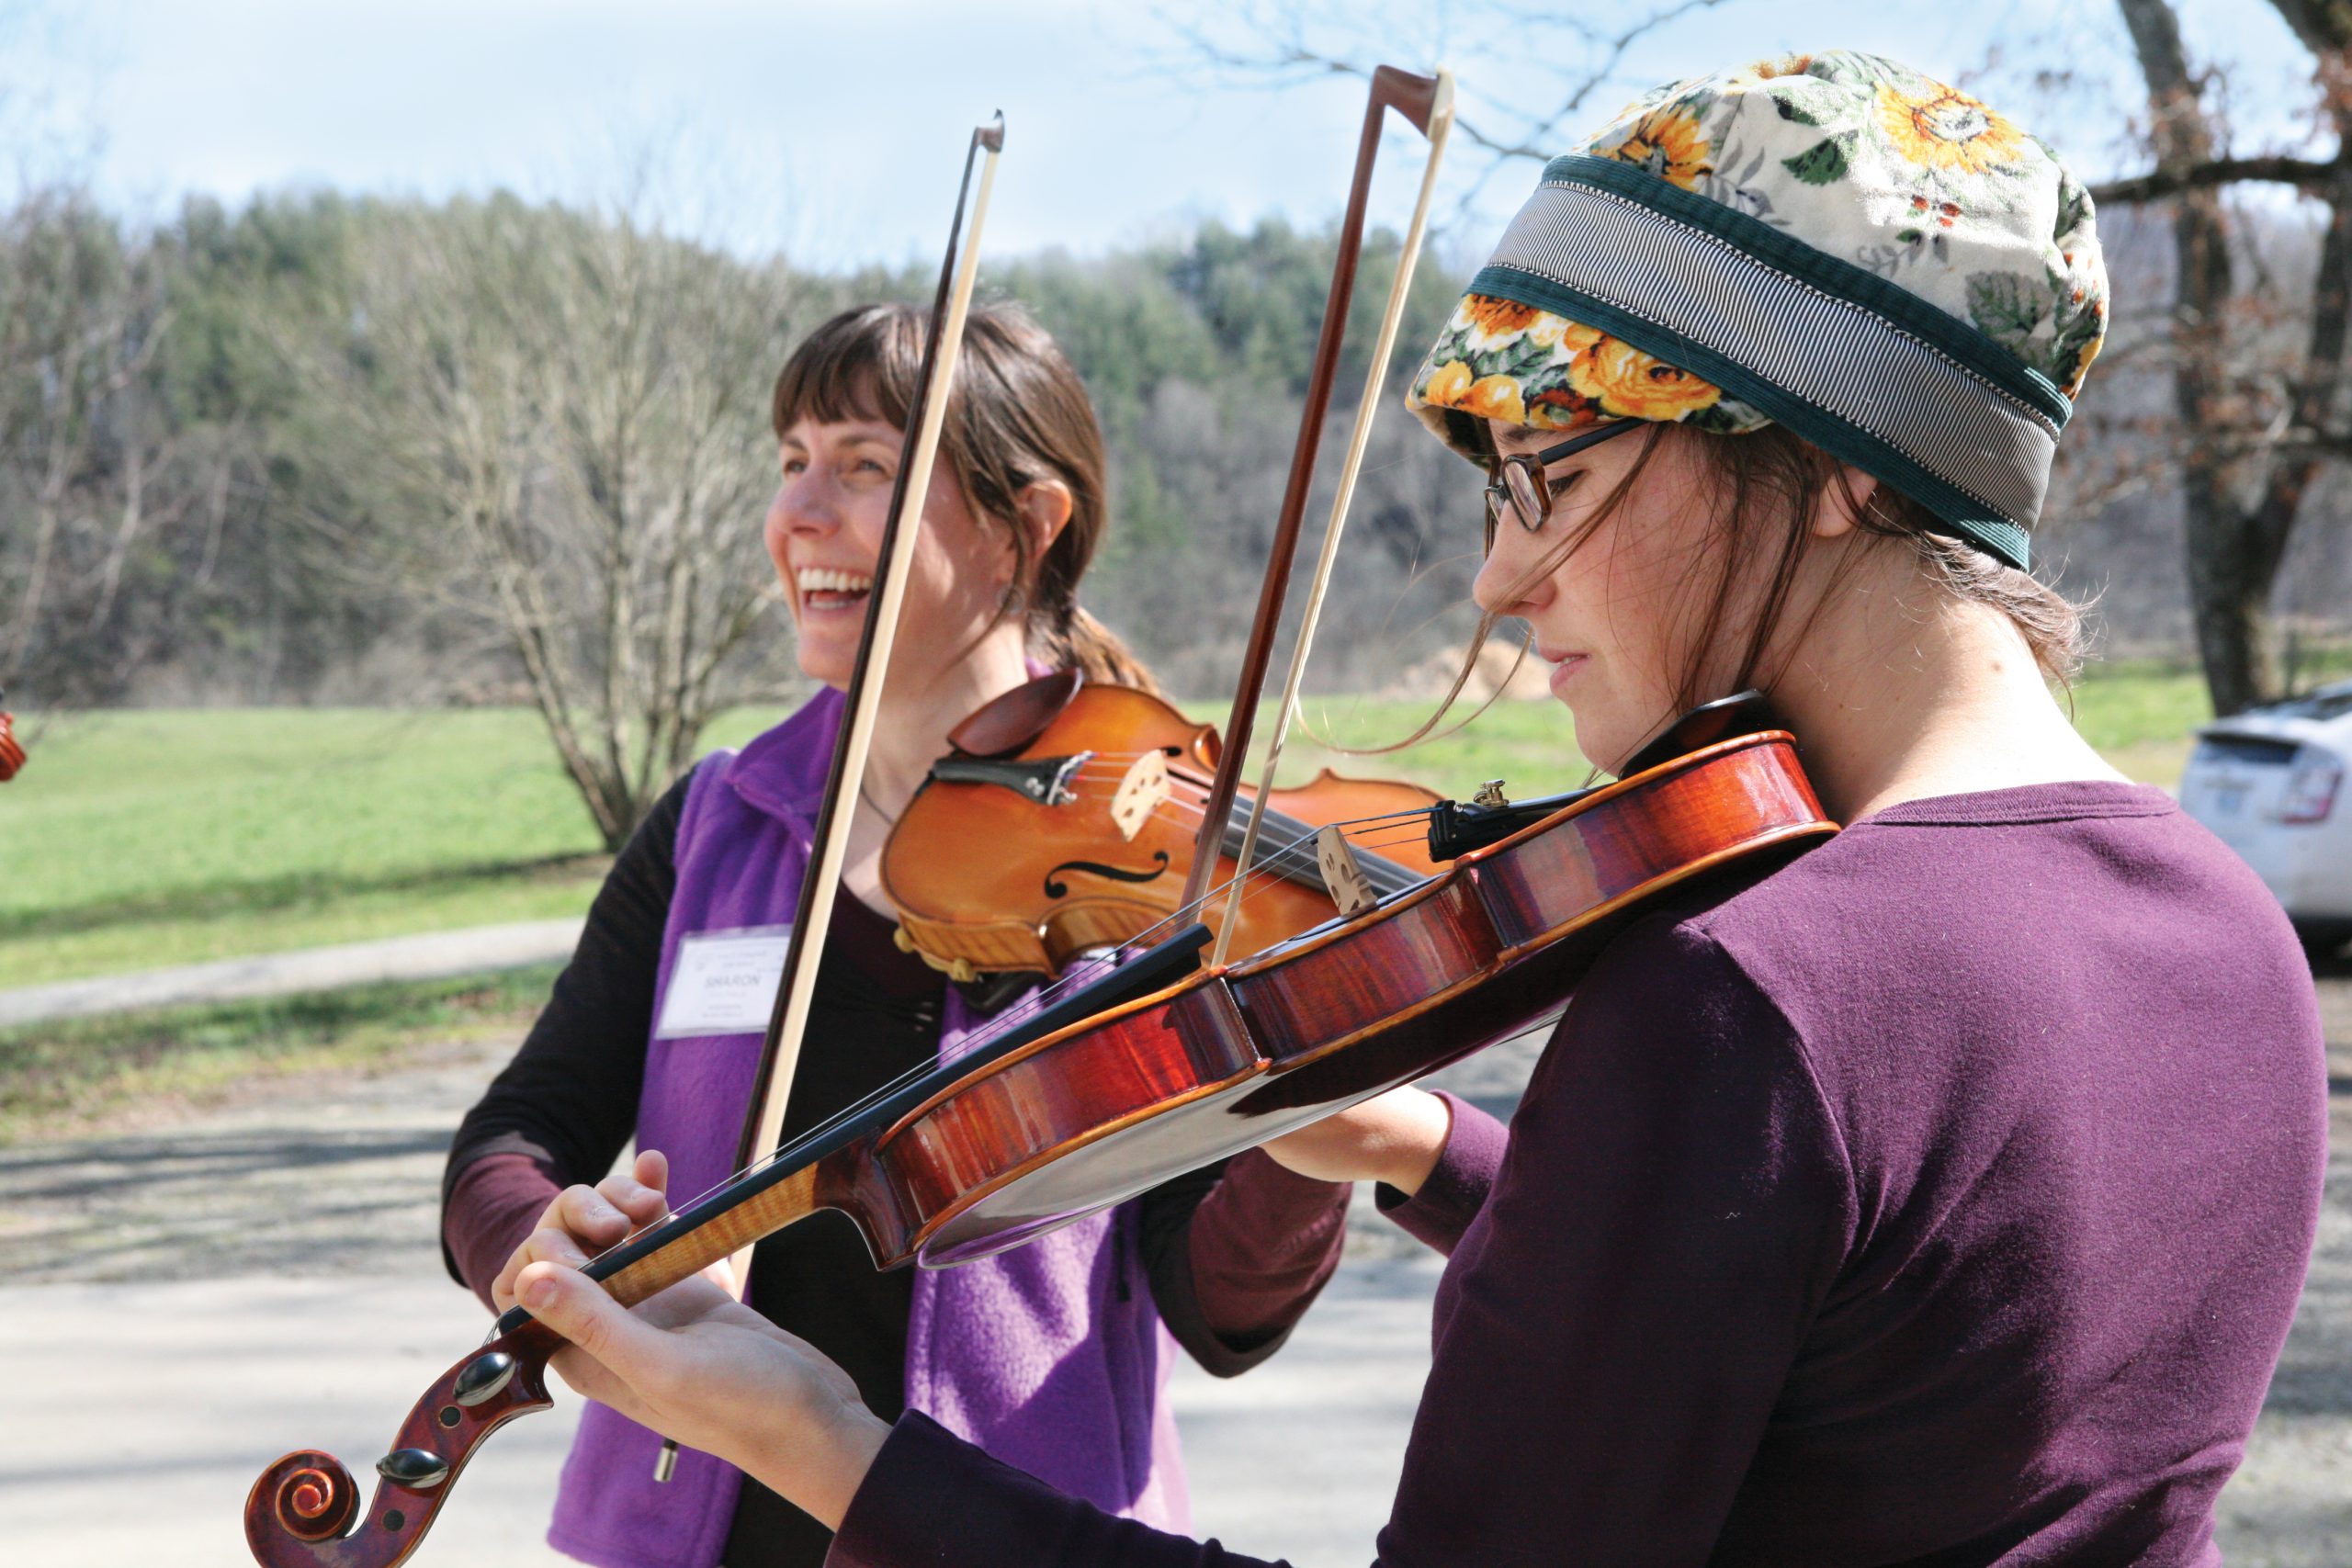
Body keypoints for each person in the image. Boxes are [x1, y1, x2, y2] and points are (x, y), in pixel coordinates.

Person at [498, 53, 2329, 1565]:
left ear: (1834, 463)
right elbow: (1846, 1337)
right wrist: (1431, 1150)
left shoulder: (1747, 991)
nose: (1501, 582)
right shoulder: (2221, 931)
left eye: (1552, 471)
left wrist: (827, 1439)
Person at [440, 300, 1355, 1568]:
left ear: (1027, 529)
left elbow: (1219, 1304)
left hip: (1008, 1539)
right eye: (790, 462)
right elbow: (514, 1139)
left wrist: (1327, 1102)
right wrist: (529, 1247)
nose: (798, 514)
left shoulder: (1153, 860)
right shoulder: (719, 821)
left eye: (867, 467)